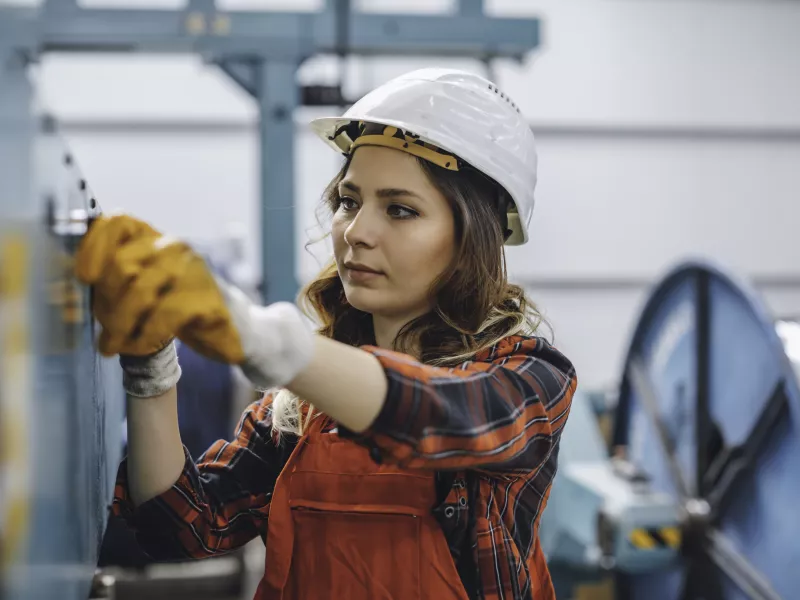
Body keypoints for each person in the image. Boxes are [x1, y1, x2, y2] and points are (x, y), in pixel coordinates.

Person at [75, 68, 578, 600]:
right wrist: (152, 364)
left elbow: (442, 415)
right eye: (348, 200)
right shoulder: (297, 411)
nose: (356, 232)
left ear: (471, 237)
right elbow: (183, 527)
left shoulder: (531, 379)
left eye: (401, 210)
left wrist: (266, 340)